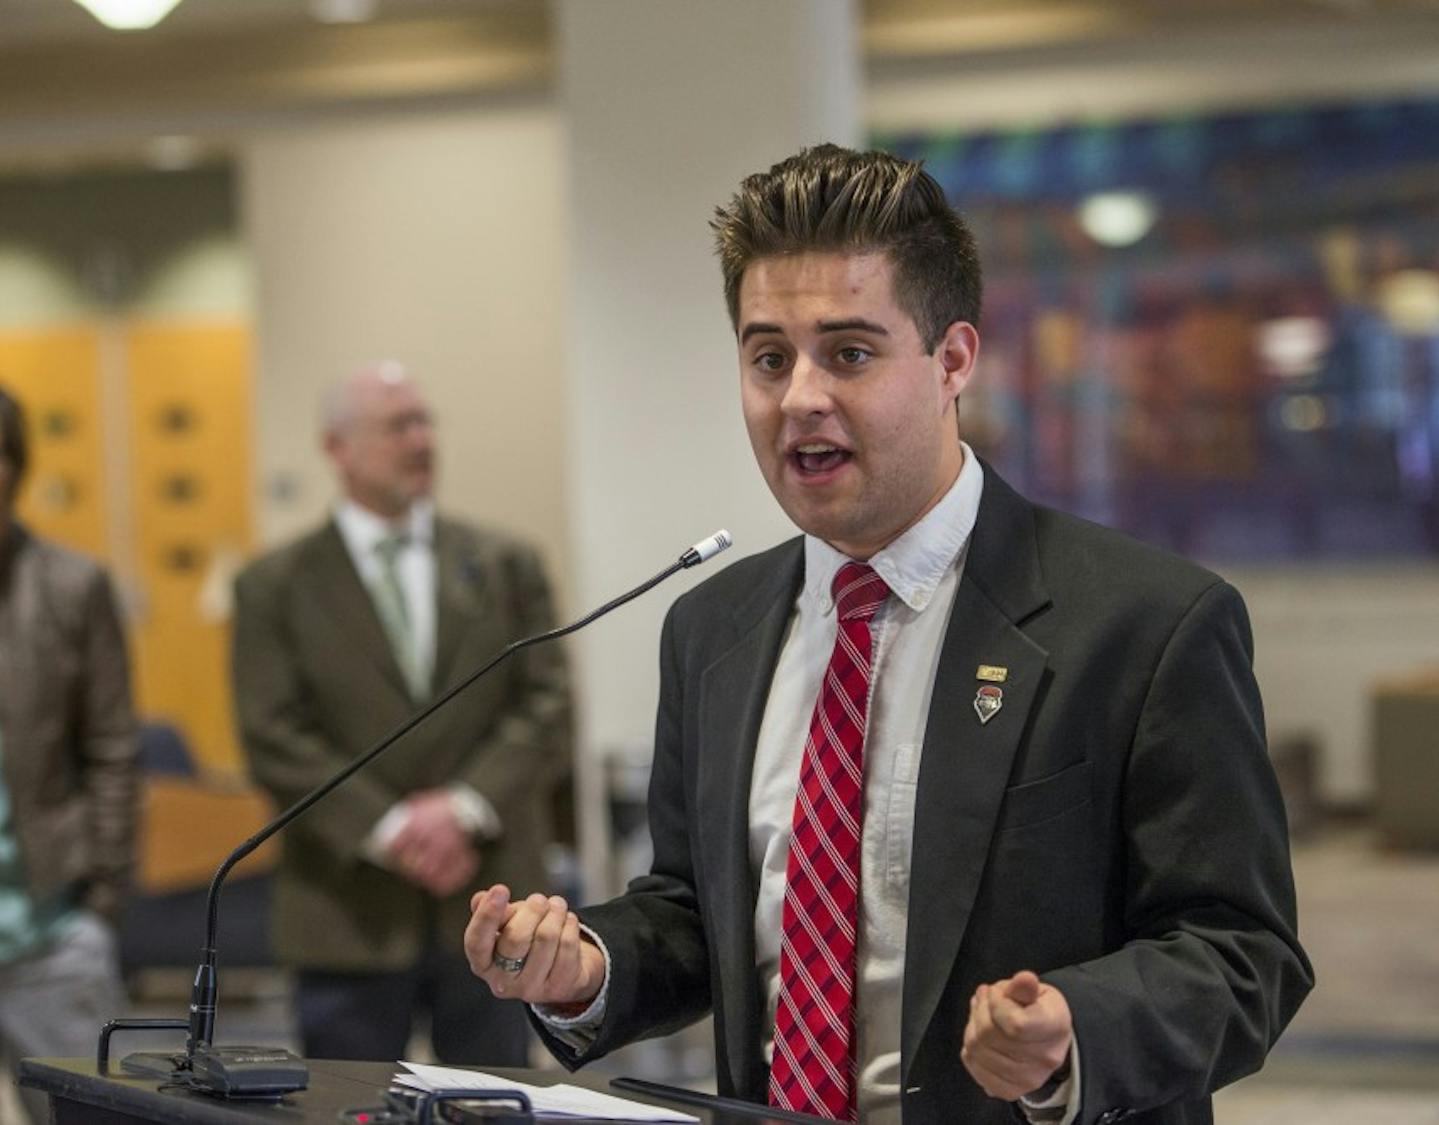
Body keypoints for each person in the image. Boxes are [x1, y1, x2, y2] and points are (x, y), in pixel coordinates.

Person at [464, 146, 1313, 1124]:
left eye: (850, 353)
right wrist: (586, 967)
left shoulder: (1147, 625)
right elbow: (701, 916)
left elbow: (1243, 952)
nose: (800, 399)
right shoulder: (712, 629)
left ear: (953, 360)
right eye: (769, 357)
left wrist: (1073, 1029)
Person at [234, 363, 572, 1066]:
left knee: (495, 1108)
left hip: (493, 901)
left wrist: (462, 809)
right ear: (337, 448)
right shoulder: (274, 586)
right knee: (347, 1111)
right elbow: (273, 733)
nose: (421, 440)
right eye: (397, 426)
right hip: (346, 910)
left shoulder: (506, 563)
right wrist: (390, 829)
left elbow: (547, 704)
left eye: (425, 422)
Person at [0, 385, 137, 1124]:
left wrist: (101, 900)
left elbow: (114, 748)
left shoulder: (70, 585)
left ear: (13, 468)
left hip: (50, 929)